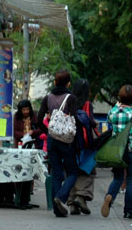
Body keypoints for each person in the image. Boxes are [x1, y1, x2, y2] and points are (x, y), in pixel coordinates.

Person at [37, 69, 79, 217]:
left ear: (55, 82)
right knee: (73, 172)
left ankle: (57, 211)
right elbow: (74, 120)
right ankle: (61, 197)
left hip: (52, 140)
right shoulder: (71, 98)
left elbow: (38, 120)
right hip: (67, 141)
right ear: (68, 83)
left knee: (56, 174)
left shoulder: (47, 98)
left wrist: (49, 130)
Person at [102, 84, 132, 219]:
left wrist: (117, 106)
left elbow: (108, 119)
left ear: (120, 98)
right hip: (131, 151)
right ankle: (128, 211)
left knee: (118, 177)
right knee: (131, 180)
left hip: (117, 151)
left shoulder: (113, 112)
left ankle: (110, 195)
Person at [69, 78, 99, 215]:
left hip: (70, 141)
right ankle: (81, 197)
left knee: (71, 171)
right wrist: (95, 124)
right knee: (88, 170)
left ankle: (72, 203)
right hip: (85, 143)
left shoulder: (69, 101)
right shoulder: (87, 104)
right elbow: (90, 121)